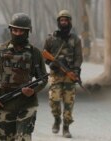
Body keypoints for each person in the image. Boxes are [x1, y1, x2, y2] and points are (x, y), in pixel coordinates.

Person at [0, 13, 47, 141]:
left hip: (27, 105)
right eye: (14, 30)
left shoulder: (35, 53)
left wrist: (33, 90)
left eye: (21, 31)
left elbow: (43, 79)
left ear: (27, 32)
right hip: (4, 104)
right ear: (10, 30)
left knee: (23, 138)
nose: (17, 33)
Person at [43, 10, 83, 138]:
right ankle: (56, 119)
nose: (64, 22)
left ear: (69, 22)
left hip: (70, 75)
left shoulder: (75, 39)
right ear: (58, 22)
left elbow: (78, 57)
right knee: (54, 100)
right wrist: (50, 63)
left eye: (66, 20)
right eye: (61, 20)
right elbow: (44, 55)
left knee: (68, 102)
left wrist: (76, 71)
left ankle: (66, 127)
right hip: (55, 75)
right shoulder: (51, 38)